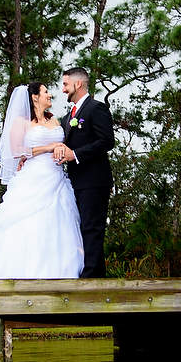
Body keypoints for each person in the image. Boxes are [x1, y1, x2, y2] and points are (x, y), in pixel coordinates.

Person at [0, 82, 84, 279]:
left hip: (57, 178)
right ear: (34, 97)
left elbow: (63, 143)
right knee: (28, 225)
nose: (50, 95)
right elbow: (16, 151)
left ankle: (58, 274)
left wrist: (61, 148)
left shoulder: (55, 120)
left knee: (57, 225)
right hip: (33, 179)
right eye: (45, 92)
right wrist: (48, 147)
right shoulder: (21, 122)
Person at [53, 67, 115, 278]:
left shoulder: (96, 108)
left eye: (65, 84)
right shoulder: (68, 116)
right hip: (75, 182)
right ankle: (93, 274)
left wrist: (75, 154)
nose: (63, 90)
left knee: (92, 228)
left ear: (78, 84)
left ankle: (92, 277)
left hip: (94, 180)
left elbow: (107, 141)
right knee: (80, 229)